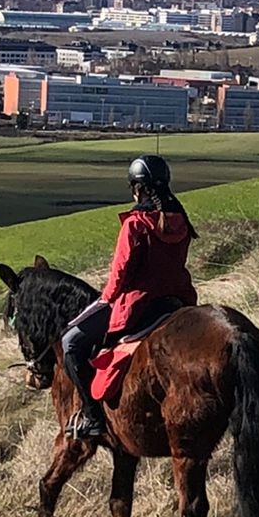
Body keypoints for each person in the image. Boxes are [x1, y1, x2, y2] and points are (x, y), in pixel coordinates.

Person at [60, 154, 197, 439]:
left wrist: (102, 300)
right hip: (177, 302)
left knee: (70, 342)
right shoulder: (180, 221)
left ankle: (93, 415)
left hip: (138, 306)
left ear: (140, 188)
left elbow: (119, 277)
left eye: (133, 186)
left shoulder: (135, 225)